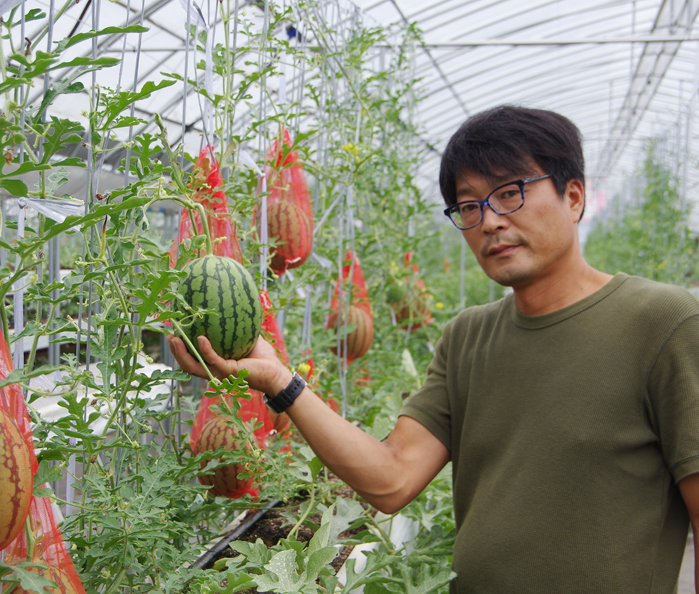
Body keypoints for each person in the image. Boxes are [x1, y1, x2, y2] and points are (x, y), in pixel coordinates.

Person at [169, 105, 699, 594]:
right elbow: (392, 477)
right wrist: (279, 380)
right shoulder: (468, 337)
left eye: (511, 192)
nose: (489, 220)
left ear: (574, 196)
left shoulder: (661, 323)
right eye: (469, 205)